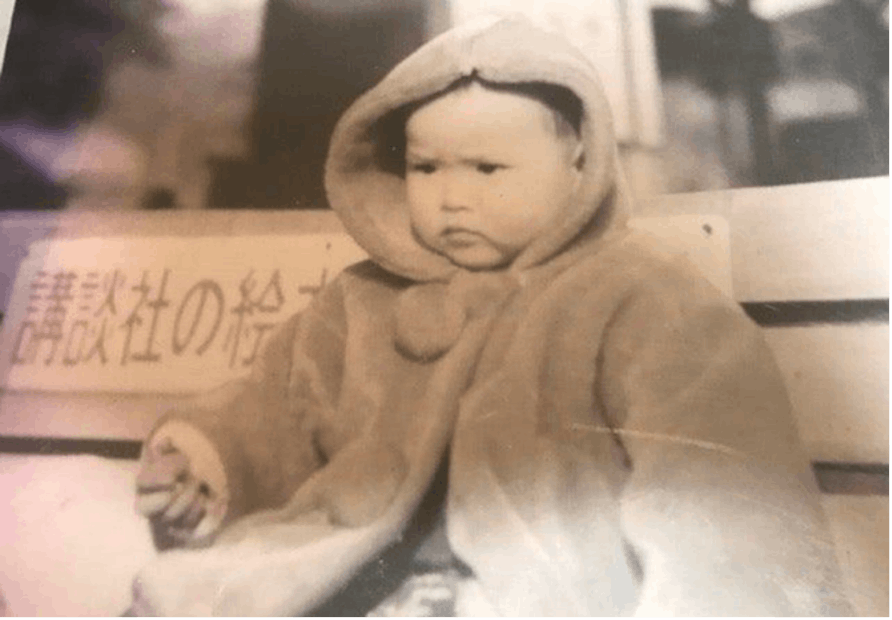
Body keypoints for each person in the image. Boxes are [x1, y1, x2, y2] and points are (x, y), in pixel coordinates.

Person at [127, 16, 851, 617]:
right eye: (426, 167)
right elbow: (277, 405)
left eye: (487, 169)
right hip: (346, 580)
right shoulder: (360, 301)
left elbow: (721, 492)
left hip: (535, 590)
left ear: (578, 161)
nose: (451, 198)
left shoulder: (641, 298)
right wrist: (205, 457)